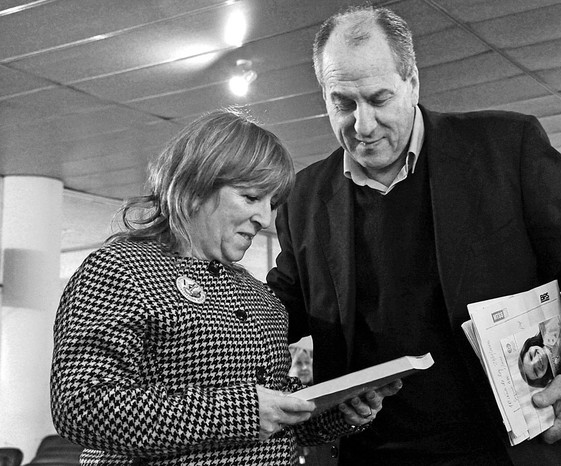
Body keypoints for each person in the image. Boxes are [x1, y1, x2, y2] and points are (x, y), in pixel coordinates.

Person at [266, 5, 561, 466]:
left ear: (413, 82)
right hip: (377, 449)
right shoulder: (304, 196)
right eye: (343, 103)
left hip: (513, 446)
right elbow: (281, 307)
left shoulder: (505, 146)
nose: (362, 125)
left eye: (379, 99)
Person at [51, 107, 400, 465]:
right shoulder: (121, 269)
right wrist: (242, 413)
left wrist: (338, 410)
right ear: (196, 186)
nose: (265, 218)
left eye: (272, 203)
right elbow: (81, 405)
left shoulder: (257, 295)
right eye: (251, 197)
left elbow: (273, 414)